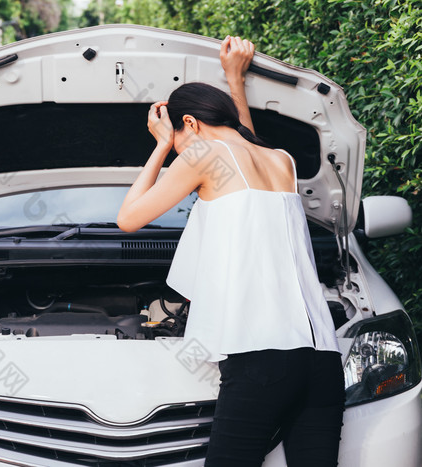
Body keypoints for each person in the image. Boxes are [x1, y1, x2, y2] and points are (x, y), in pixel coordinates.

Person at [117, 36, 345, 466]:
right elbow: (246, 140)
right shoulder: (280, 160)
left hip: (262, 361)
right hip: (321, 360)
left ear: (191, 124)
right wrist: (235, 80)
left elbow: (128, 218)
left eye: (181, 136)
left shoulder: (200, 154)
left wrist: (162, 145)